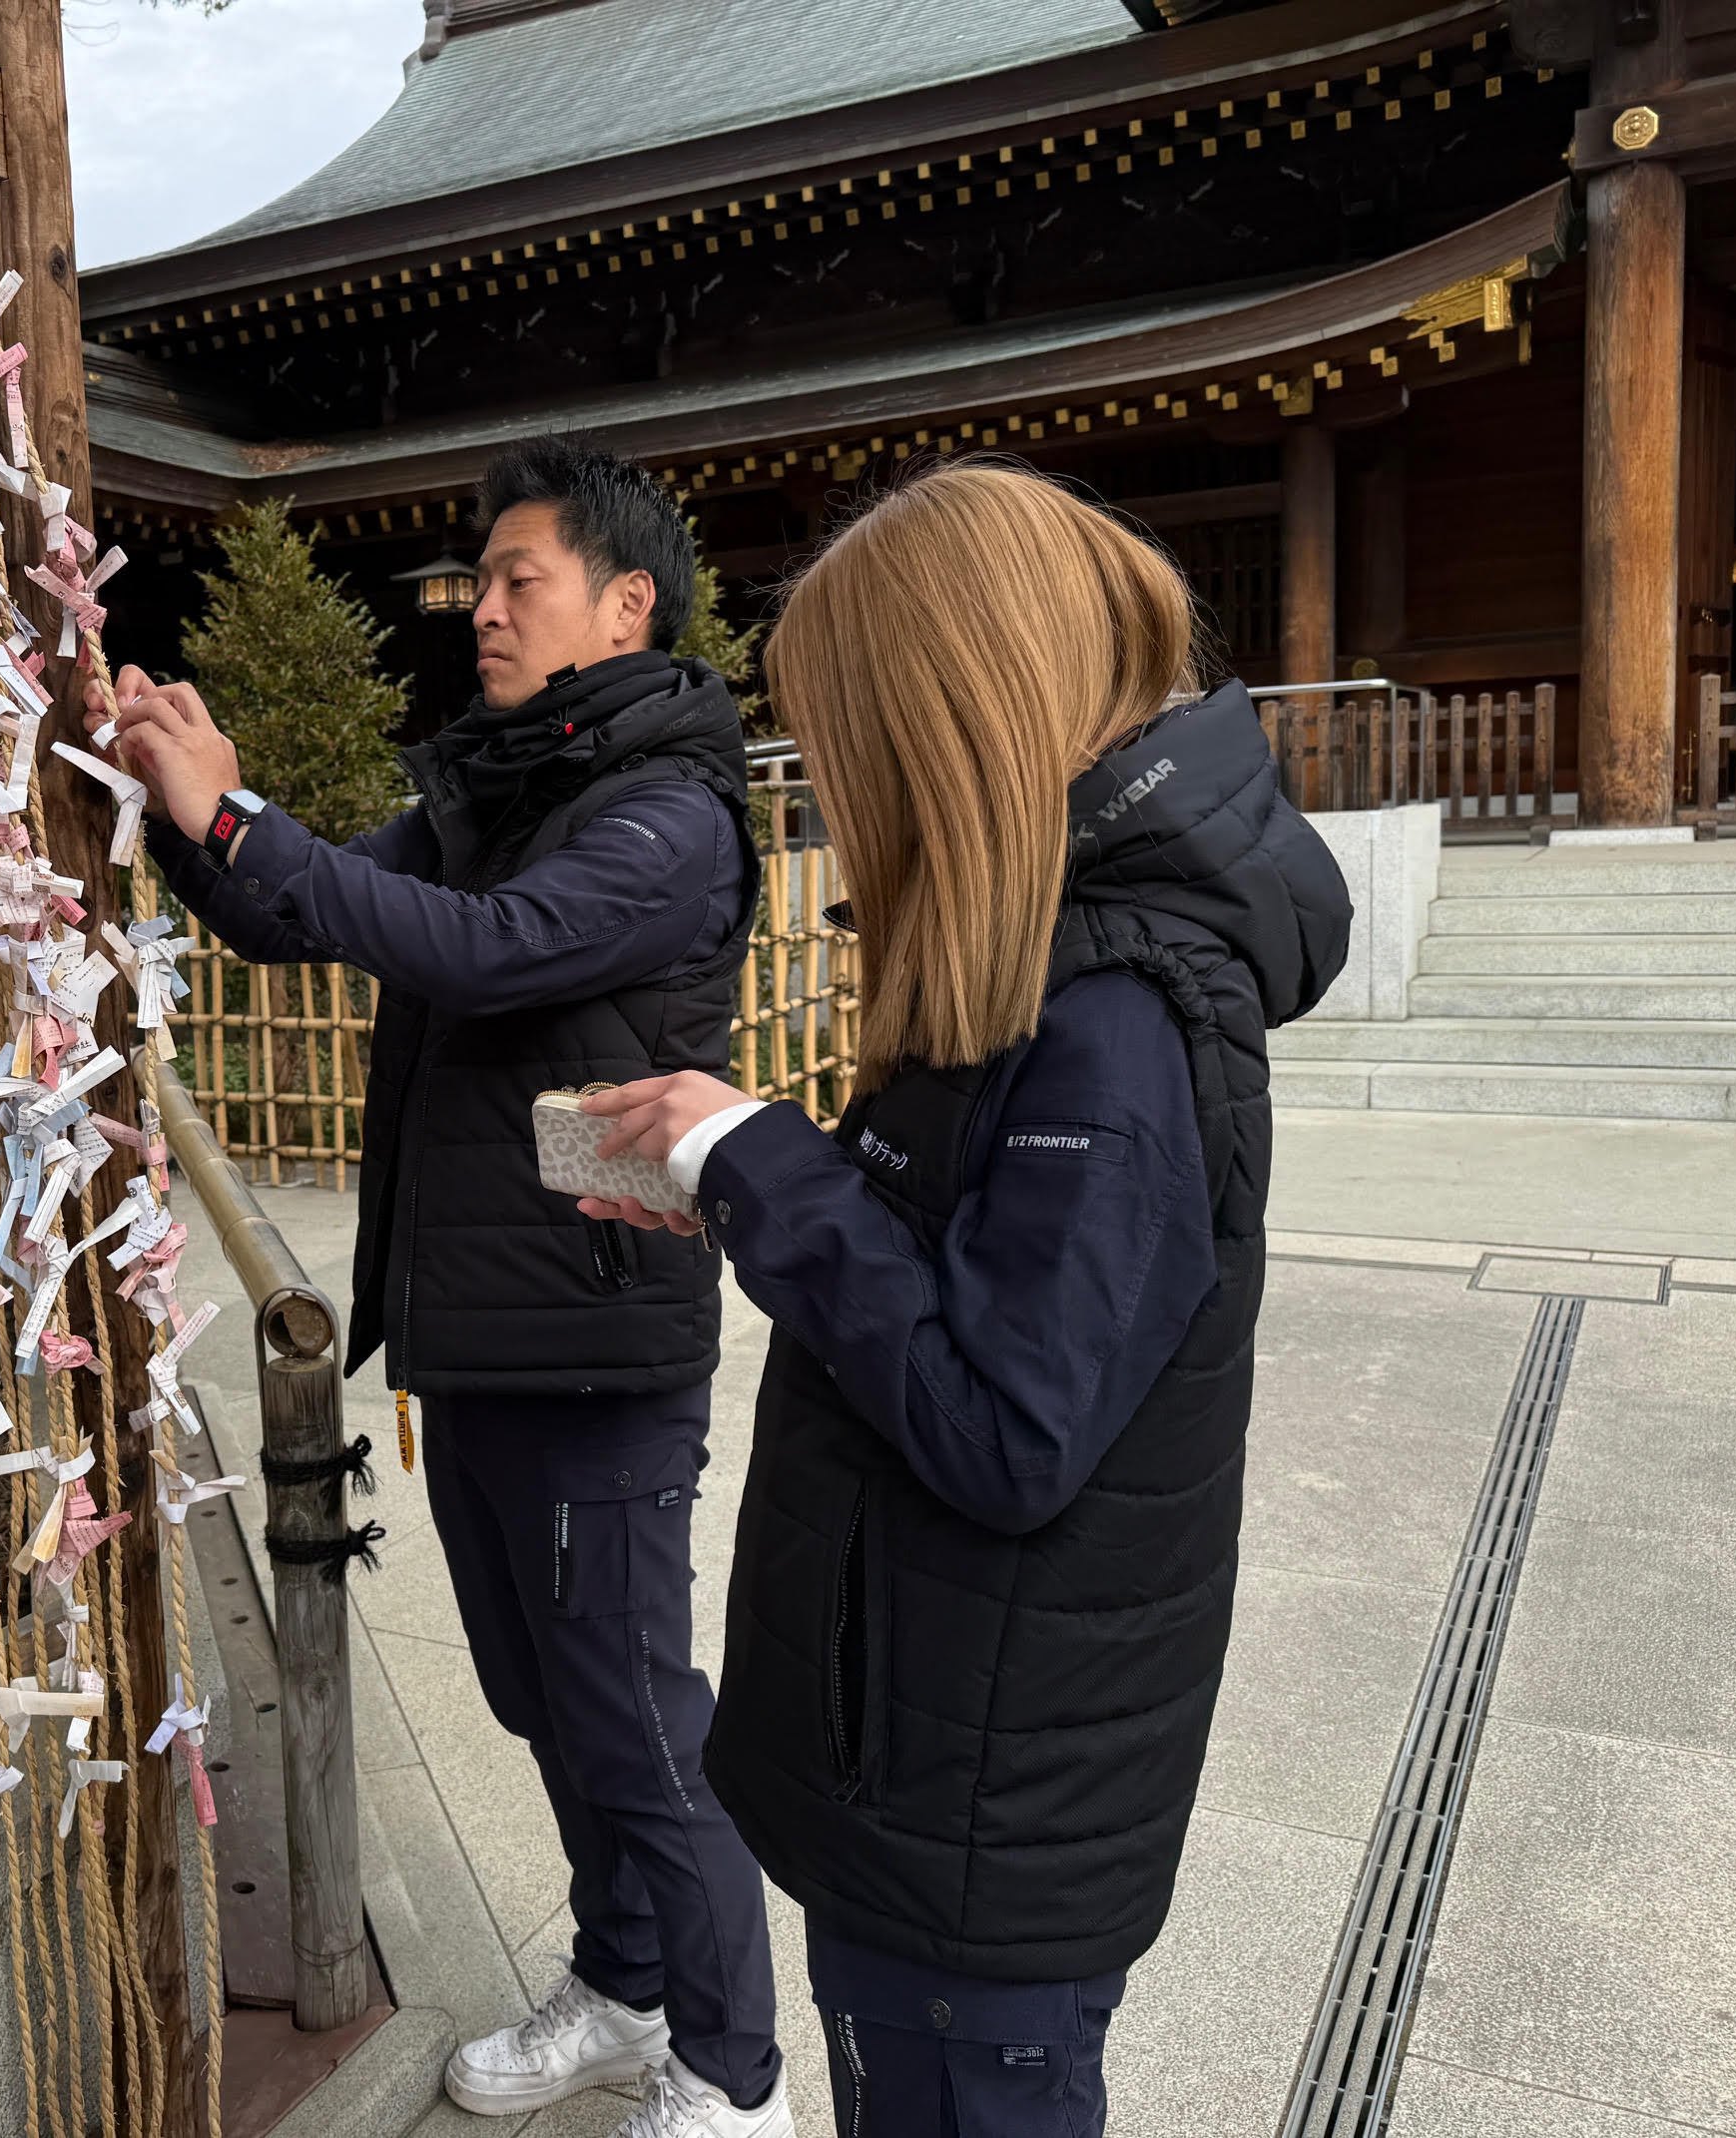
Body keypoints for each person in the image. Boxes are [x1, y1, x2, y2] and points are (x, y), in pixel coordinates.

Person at [576, 464, 1351, 2136]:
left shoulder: (1119, 1019)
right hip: (933, 1763)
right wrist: (735, 1167)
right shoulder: (1045, 955)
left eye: (849, 748)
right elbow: (961, 1269)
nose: (837, 798)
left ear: (948, 726)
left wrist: (761, 1165)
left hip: (981, 1836)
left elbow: (1004, 1424)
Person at [104, 438, 790, 2138]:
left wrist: (240, 814)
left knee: (637, 1722)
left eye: (517, 579)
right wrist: (180, 811)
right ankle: (624, 1986)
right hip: (485, 1335)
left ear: (626, 604)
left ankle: (734, 2074)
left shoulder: (667, 814)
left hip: (598, 1344)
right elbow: (305, 914)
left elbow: (487, 949)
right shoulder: (504, 788)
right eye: (476, 581)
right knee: (546, 1705)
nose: (479, 607)